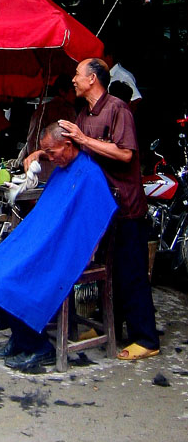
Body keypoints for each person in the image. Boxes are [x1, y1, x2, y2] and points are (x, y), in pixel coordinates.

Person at [0, 123, 117, 371]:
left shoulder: (89, 176)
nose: (49, 157)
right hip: (44, 240)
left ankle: (39, 346)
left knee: (11, 279)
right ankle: (19, 336)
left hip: (64, 249)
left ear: (68, 146)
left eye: (52, 152)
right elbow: (48, 212)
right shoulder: (61, 169)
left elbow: (88, 223)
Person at [57, 57, 159, 361]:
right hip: (103, 209)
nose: (73, 79)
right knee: (111, 272)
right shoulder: (84, 114)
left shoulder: (118, 109)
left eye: (77, 74)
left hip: (126, 207)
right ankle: (110, 328)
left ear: (92, 79)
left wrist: (83, 138)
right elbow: (80, 152)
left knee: (132, 274)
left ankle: (146, 337)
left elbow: (125, 154)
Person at [16, 74, 77, 179]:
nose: (75, 95)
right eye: (72, 91)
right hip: (54, 168)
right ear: (62, 91)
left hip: (36, 166)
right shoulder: (66, 110)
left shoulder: (40, 110)